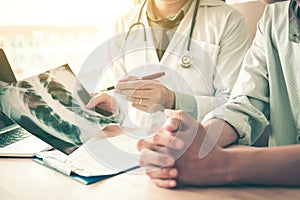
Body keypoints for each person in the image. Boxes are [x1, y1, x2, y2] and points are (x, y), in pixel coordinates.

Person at [138, 0, 300, 188]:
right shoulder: (273, 17)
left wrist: (224, 164)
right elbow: (244, 105)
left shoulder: (229, 18)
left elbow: (227, 96)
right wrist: (195, 146)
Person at [85, 0, 251, 128]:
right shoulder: (123, 23)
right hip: (136, 148)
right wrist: (114, 104)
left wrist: (174, 101)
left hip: (198, 149)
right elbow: (122, 96)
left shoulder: (228, 20)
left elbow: (235, 106)